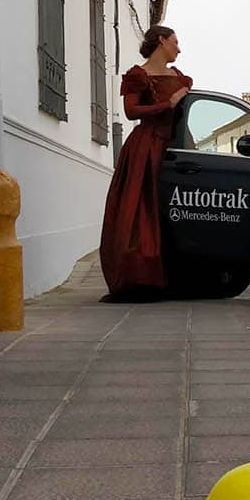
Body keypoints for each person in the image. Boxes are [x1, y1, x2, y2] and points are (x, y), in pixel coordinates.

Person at [100, 25, 190, 298]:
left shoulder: (181, 78)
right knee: (140, 210)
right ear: (162, 41)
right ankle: (139, 276)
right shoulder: (138, 75)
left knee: (174, 208)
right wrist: (168, 104)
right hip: (146, 147)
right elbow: (130, 112)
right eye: (175, 42)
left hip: (175, 147)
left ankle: (176, 275)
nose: (179, 48)